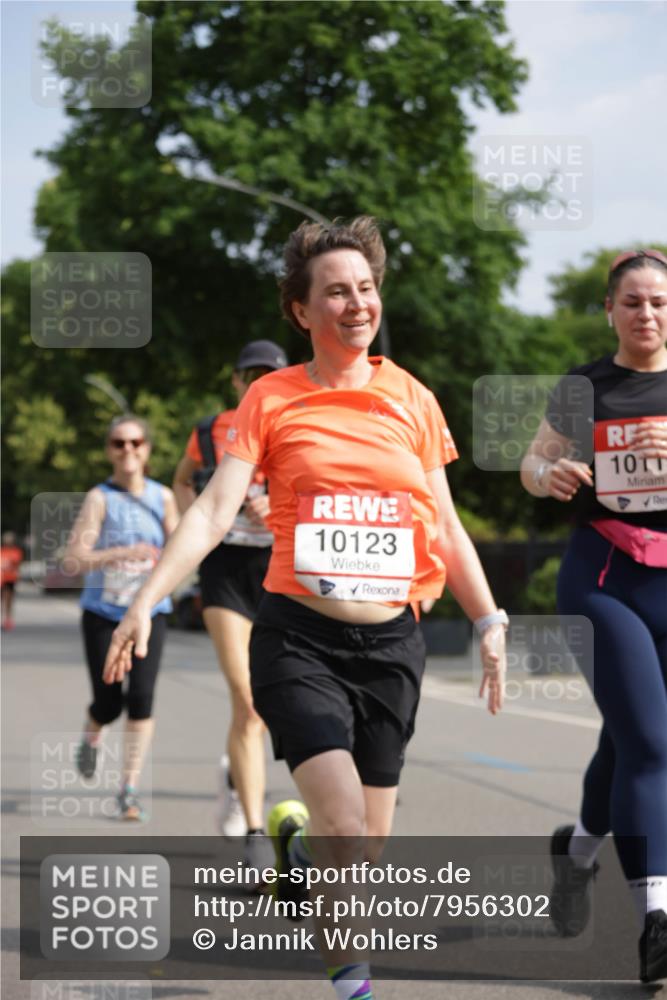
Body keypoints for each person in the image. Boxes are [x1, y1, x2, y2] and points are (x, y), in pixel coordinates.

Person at [103, 217, 508, 999]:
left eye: (365, 288)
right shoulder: (271, 397)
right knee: (347, 826)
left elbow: (447, 525)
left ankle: (295, 852)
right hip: (297, 640)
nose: (356, 303)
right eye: (335, 291)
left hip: (392, 643)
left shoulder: (413, 399)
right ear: (300, 311)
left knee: (363, 851)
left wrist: (488, 620)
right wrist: (148, 601)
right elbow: (216, 510)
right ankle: (350, 985)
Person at [520, 249, 667, 983]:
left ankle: (574, 854)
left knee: (625, 742)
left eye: (658, 302)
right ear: (609, 309)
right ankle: (656, 924)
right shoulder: (584, 385)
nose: (646, 314)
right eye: (632, 302)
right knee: (651, 742)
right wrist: (548, 473)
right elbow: (530, 463)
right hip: (604, 577)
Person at [172, 339, 288, 866]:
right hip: (224, 570)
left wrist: (279, 509)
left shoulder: (300, 427)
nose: (260, 381)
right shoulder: (209, 431)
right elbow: (180, 480)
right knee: (247, 700)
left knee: (268, 705)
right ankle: (257, 833)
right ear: (238, 382)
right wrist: (193, 521)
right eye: (252, 374)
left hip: (282, 569)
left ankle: (236, 777)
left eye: (271, 373)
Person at [66, 414, 179, 820]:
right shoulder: (100, 498)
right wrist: (117, 554)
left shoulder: (163, 497)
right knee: (110, 701)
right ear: (109, 450)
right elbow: (73, 560)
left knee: (142, 699)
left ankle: (128, 788)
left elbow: (182, 548)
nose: (127, 449)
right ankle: (92, 733)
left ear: (147, 449)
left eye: (135, 442)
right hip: (103, 614)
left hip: (151, 613)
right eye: (118, 443)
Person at [1, 531, 23, 630]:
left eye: (10, 540)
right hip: (1, 579)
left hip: (10, 579)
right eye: (7, 540)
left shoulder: (16, 551)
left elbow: (17, 563)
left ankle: (8, 619)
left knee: (9, 599)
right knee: (2, 599)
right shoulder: (2, 551)